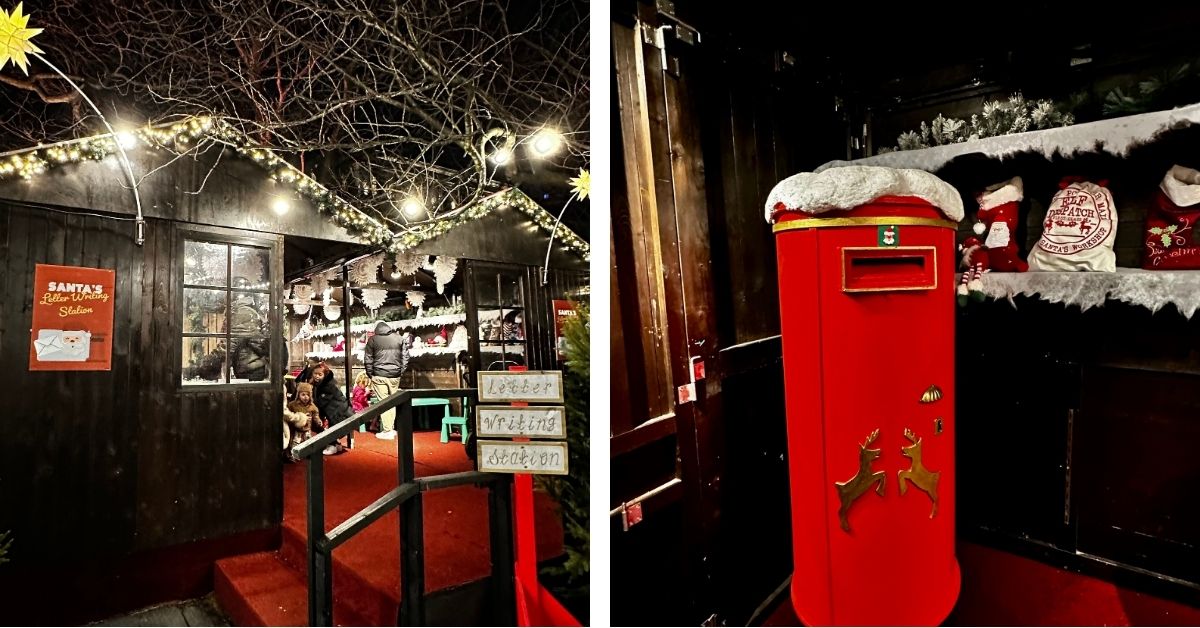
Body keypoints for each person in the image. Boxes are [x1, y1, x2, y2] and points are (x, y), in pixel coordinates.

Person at [363, 320, 412, 440]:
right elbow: (406, 357)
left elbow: (368, 359)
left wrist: (370, 374)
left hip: (379, 375)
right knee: (392, 401)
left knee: (384, 402)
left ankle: (387, 430)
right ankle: (391, 428)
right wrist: (400, 371)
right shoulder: (399, 338)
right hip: (395, 375)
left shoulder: (372, 340)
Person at [302, 362, 350, 455]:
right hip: (335, 409)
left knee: (327, 424)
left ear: (325, 375)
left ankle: (332, 444)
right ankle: (336, 444)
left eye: (320, 374)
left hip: (338, 411)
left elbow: (322, 402)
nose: (317, 376)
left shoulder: (328, 385)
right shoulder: (319, 383)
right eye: (315, 374)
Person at [284, 381, 321, 461]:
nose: (305, 397)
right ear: (298, 395)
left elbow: (316, 414)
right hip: (296, 429)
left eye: (308, 395)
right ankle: (292, 455)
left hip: (307, 429)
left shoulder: (312, 406)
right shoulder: (293, 405)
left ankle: (307, 454)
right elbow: (288, 414)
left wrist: (318, 420)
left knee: (308, 442)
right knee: (295, 442)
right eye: (303, 395)